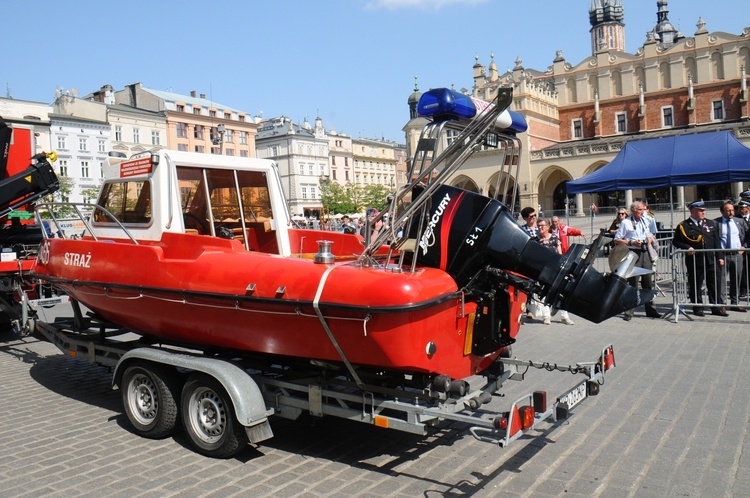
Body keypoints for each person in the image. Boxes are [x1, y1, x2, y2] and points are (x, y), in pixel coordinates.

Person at [672, 200, 726, 317]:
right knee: (696, 284)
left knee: (713, 284)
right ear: (693, 211)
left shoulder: (711, 223)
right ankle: (697, 307)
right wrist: (687, 247)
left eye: (704, 211)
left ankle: (715, 307)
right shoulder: (684, 226)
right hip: (696, 260)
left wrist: (720, 257)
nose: (703, 213)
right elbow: (676, 241)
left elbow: (717, 242)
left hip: (711, 259)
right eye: (700, 211)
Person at [614, 201, 661, 320]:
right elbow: (617, 239)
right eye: (641, 210)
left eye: (644, 210)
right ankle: (629, 311)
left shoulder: (646, 220)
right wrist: (631, 242)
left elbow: (651, 234)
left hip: (645, 252)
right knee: (633, 283)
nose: (643, 212)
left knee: (648, 283)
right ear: (634, 210)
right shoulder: (626, 222)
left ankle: (651, 310)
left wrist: (649, 239)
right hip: (633, 253)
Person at [534, 218, 575, 325]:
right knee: (545, 292)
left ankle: (564, 316)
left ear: (548, 227)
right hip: (543, 271)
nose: (540, 228)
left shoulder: (555, 239)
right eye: (538, 226)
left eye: (542, 225)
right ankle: (547, 316)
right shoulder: (535, 240)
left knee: (561, 292)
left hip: (555, 269)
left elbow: (560, 254)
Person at [715, 200, 746, 312]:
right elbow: (715, 240)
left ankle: (735, 302)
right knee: (722, 280)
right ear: (722, 212)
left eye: (732, 210)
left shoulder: (739, 221)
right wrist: (718, 255)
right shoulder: (716, 223)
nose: (731, 213)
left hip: (737, 255)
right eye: (728, 210)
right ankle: (722, 303)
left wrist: (744, 246)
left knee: (736, 279)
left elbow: (747, 235)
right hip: (723, 255)